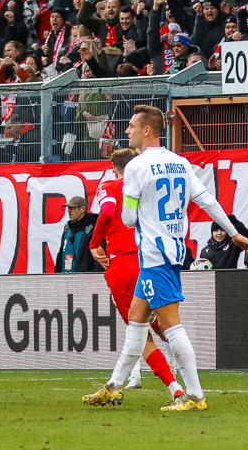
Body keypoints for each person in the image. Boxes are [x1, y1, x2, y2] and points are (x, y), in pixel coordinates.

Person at [84, 105, 248, 412]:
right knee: (137, 321)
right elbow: (207, 200)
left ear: (147, 130)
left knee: (170, 325)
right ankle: (113, 386)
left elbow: (130, 218)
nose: (127, 131)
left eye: (132, 125)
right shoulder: (180, 162)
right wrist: (233, 232)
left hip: (154, 253)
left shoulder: (136, 167)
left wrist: (133, 209)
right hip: (172, 250)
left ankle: (196, 396)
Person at [89, 148, 184, 396]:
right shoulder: (148, 188)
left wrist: (94, 242)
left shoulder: (110, 186)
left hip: (121, 265)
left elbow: (108, 211)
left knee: (140, 335)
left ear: (114, 169)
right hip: (150, 261)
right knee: (169, 326)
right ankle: (189, 382)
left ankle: (174, 389)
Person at [53, 196, 98, 273]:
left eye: (72, 208)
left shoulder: (92, 230)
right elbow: (61, 256)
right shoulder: (67, 229)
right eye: (68, 208)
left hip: (83, 281)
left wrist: (93, 281)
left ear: (82, 209)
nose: (69, 211)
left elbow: (98, 260)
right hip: (64, 280)